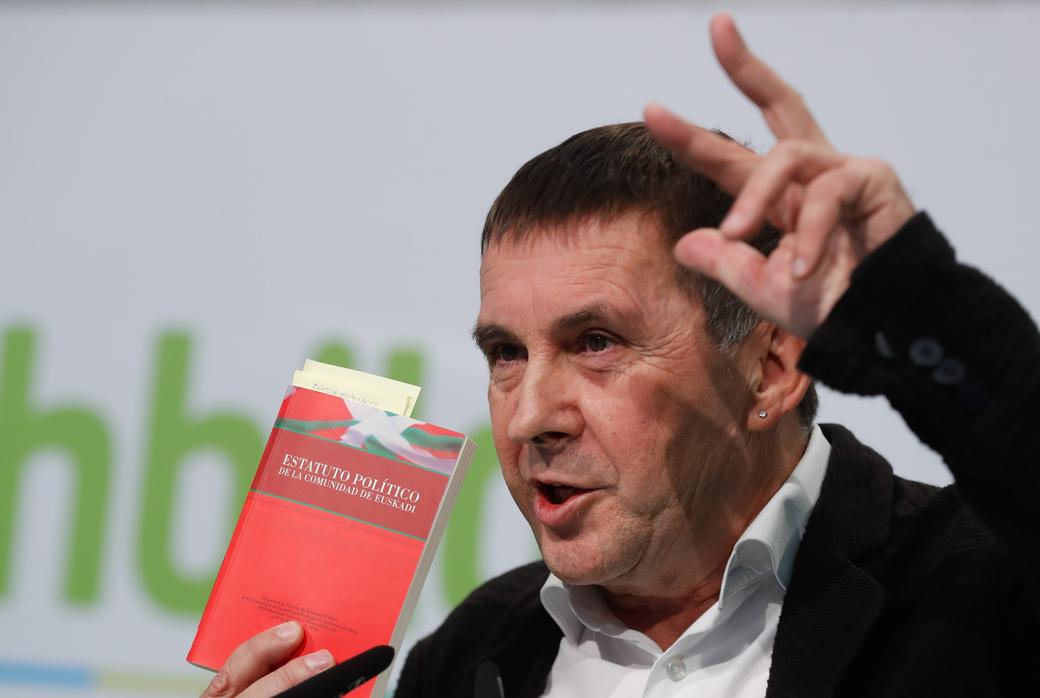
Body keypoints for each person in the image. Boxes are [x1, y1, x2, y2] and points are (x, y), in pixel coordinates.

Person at [202, 13, 1040, 697]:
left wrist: (928, 304)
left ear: (772, 368)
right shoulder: (468, 657)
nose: (529, 418)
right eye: (505, 352)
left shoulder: (981, 593)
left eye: (595, 343)